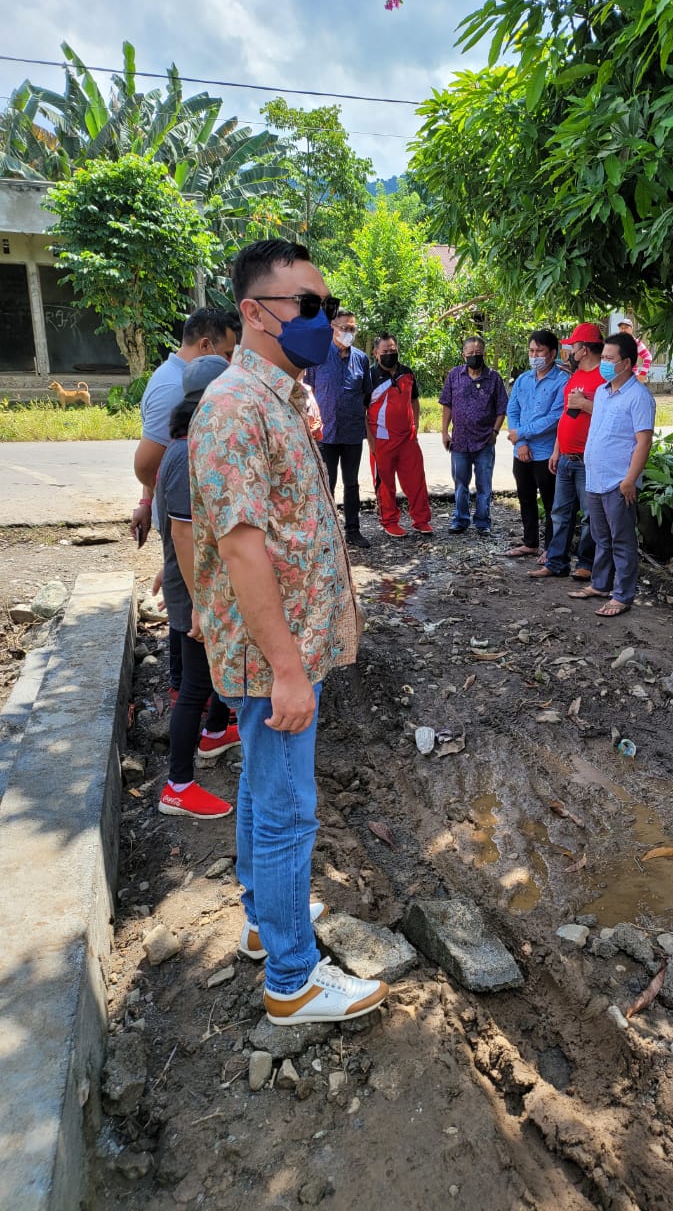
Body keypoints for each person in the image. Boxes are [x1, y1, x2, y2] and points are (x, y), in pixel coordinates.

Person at [189, 238, 388, 1025]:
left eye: (324, 307)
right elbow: (241, 547)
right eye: (305, 306)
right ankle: (294, 981)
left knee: (260, 796)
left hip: (280, 649)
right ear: (253, 313)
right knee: (286, 810)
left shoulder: (275, 396)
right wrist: (288, 670)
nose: (321, 320)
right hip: (276, 657)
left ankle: (261, 926)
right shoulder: (236, 407)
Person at [129, 307, 239, 702]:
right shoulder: (176, 390)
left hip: (182, 519)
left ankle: (190, 693)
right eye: (227, 354)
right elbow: (146, 463)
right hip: (184, 521)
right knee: (187, 612)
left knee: (182, 600)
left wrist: (146, 501)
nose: (230, 363)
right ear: (206, 345)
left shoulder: (180, 383)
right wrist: (202, 600)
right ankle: (189, 696)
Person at [154, 356, 238, 820]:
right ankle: (178, 785)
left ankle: (214, 732)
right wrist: (201, 603)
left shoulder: (183, 444)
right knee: (195, 685)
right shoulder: (187, 453)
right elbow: (184, 532)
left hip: (187, 581)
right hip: (194, 590)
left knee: (206, 677)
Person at [568, 332, 655, 616]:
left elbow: (643, 441)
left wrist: (630, 479)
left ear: (627, 363)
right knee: (600, 536)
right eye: (603, 357)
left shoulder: (639, 396)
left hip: (619, 482)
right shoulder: (604, 392)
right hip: (595, 478)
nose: (603, 363)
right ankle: (600, 584)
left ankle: (623, 595)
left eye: (609, 358)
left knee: (622, 540)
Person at [529, 323, 605, 581]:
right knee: (560, 513)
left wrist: (585, 404)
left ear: (584, 349)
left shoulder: (603, 379)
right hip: (565, 457)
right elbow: (566, 414)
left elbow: (611, 416)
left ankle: (586, 563)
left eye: (574, 345)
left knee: (589, 516)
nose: (570, 350)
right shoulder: (575, 376)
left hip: (587, 459)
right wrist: (556, 450)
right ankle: (556, 562)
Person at [303, 309, 373, 549]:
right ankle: (326, 532)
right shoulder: (317, 357)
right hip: (326, 433)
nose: (348, 333)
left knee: (352, 483)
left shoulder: (361, 359)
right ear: (332, 328)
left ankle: (353, 530)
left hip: (352, 432)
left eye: (352, 328)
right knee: (327, 483)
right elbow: (307, 393)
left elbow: (366, 394)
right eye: (344, 328)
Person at [505, 329, 568, 558]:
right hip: (521, 451)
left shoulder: (562, 381)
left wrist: (520, 432)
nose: (534, 355)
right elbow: (512, 409)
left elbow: (554, 418)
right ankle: (530, 542)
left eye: (539, 351)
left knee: (552, 504)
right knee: (526, 498)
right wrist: (520, 441)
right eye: (531, 351)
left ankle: (552, 549)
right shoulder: (523, 379)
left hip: (546, 454)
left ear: (552, 353)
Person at [440, 336, 508, 536]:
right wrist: (444, 432)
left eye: (477, 354)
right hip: (460, 440)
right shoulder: (454, 375)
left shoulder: (494, 378)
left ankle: (482, 521)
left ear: (484, 354)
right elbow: (447, 404)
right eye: (470, 354)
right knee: (460, 483)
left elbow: (501, 408)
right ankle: (460, 519)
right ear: (463, 355)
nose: (474, 357)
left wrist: (495, 432)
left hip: (485, 440)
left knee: (484, 485)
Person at [367, 333, 433, 538]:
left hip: (407, 439)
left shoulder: (407, 373)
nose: (390, 353)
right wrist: (372, 444)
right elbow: (362, 411)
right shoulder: (368, 377)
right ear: (376, 353)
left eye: (393, 350)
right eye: (385, 351)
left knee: (416, 480)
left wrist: (415, 425)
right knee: (385, 484)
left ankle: (421, 520)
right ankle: (389, 521)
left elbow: (414, 401)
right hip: (381, 439)